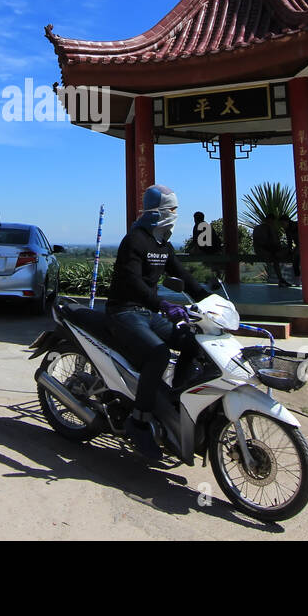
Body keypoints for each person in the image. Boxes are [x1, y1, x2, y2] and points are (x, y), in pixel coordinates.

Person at [106, 185, 211, 460]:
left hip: (150, 313)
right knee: (158, 354)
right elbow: (132, 280)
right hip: (125, 312)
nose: (176, 214)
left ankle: (176, 401)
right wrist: (162, 304)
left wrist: (207, 298)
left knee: (193, 345)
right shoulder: (135, 240)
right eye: (173, 209)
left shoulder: (162, 243)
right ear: (160, 211)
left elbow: (181, 274)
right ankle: (139, 420)